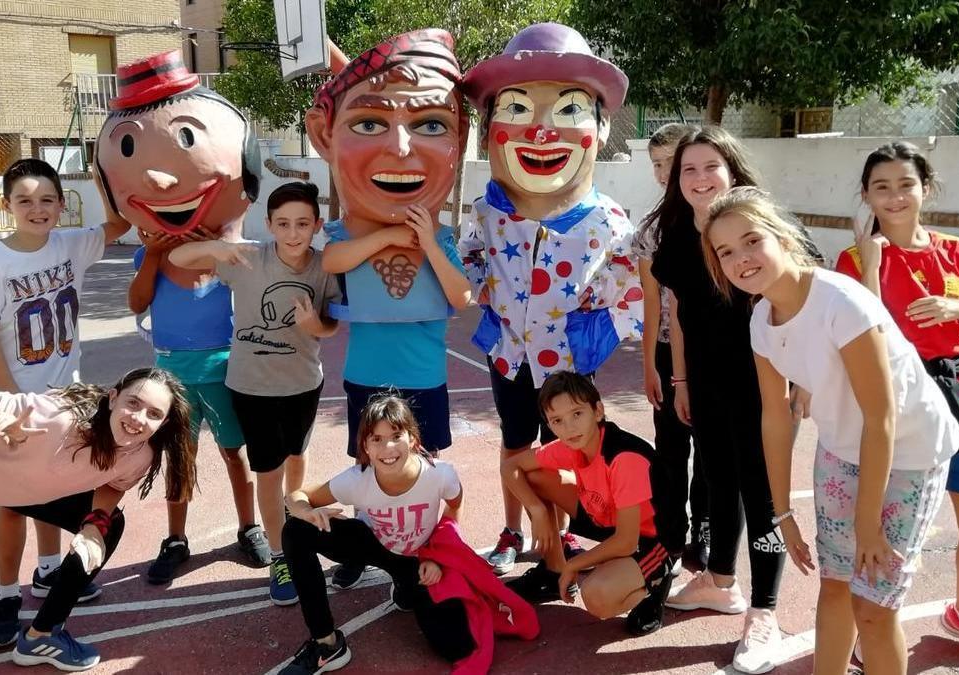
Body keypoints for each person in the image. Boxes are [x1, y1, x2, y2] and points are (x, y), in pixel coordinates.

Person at [702, 186, 959, 674]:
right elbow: (776, 417)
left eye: (752, 240)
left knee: (874, 608)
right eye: (726, 251)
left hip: (908, 451)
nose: (742, 258)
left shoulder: (842, 303)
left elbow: (881, 417)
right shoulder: (761, 319)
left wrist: (867, 524)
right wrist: (781, 513)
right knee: (836, 585)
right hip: (843, 448)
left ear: (781, 236)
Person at [836, 141, 959, 669]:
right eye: (881, 186)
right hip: (894, 405)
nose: (895, 195)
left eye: (906, 183)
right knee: (885, 533)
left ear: (925, 188)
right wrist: (875, 263)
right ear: (866, 195)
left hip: (958, 395)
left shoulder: (958, 253)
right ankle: (872, 631)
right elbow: (866, 333)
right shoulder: (856, 258)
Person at [459, 22, 644, 576]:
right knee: (516, 445)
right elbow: (471, 261)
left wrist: (592, 338)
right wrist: (480, 292)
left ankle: (559, 540)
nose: (540, 132)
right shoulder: (489, 211)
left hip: (566, 366)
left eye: (567, 111)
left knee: (566, 453)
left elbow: (630, 290)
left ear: (602, 126)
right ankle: (514, 529)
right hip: (508, 357)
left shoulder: (607, 221)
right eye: (516, 110)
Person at [0, 368, 197, 671]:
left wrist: (94, 524)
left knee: (110, 525)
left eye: (154, 414)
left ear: (164, 421)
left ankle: (42, 636)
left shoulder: (140, 454)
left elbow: (112, 485)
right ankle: (9, 599)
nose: (138, 418)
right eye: (133, 403)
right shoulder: (58, 416)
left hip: (10, 487)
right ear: (113, 397)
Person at [306, 29, 473, 590]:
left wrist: (425, 243)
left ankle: (424, 550)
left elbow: (460, 296)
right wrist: (385, 239)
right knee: (367, 467)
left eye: (428, 124)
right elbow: (332, 260)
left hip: (424, 379)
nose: (400, 147)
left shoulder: (441, 236)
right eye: (372, 123)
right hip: (367, 378)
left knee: (421, 469)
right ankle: (362, 545)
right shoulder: (342, 234)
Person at [0, 158, 131, 648]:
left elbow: (120, 223)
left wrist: (103, 176)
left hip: (65, 397)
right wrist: (11, 398)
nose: (37, 208)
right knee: (13, 502)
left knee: (53, 489)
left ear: (62, 204)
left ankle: (47, 571)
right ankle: (4, 596)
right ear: (7, 206)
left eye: (47, 199)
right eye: (24, 200)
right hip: (13, 399)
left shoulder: (71, 243)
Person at [646, 126, 786, 673]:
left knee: (763, 493)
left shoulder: (760, 224)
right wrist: (680, 382)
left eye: (711, 167)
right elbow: (678, 315)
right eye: (689, 170)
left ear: (732, 171)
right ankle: (721, 583)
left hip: (760, 385)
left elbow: (796, 294)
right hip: (704, 382)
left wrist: (797, 384)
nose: (700, 179)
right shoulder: (679, 234)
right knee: (718, 483)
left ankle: (765, 612)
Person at [170, 181, 341, 606]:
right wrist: (216, 247)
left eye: (303, 223)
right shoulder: (246, 258)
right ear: (268, 225)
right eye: (283, 223)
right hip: (252, 386)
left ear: (317, 225)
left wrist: (313, 327)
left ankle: (293, 520)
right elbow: (177, 257)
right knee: (268, 469)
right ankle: (282, 554)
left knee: (297, 458)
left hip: (303, 382)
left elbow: (333, 323)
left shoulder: (325, 267)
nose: (293, 232)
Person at [280, 395, 473, 675]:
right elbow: (295, 496)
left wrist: (437, 555)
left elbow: (456, 507)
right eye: (377, 439)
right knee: (296, 530)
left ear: (413, 440)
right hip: (371, 543)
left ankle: (405, 587)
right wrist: (306, 512)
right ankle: (327, 645)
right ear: (365, 447)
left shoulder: (439, 475)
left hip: (417, 559)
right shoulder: (357, 480)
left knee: (459, 648)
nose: (388, 447)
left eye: (396, 436)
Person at [128, 227, 264, 584]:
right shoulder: (151, 255)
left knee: (234, 452)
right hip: (173, 375)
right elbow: (137, 302)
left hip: (222, 369)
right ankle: (176, 539)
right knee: (179, 455)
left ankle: (249, 527)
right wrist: (154, 252)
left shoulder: (226, 254)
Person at [502, 372, 679, 636]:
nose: (569, 428)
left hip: (650, 538)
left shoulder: (624, 459)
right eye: (557, 421)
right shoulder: (570, 444)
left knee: (597, 596)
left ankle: (654, 584)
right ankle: (553, 570)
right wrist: (537, 509)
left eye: (576, 414)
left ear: (597, 411)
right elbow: (511, 466)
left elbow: (627, 542)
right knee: (533, 476)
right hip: (606, 515)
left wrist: (575, 564)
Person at [632, 122, 709, 567]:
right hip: (666, 350)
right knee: (671, 445)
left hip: (710, 352)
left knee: (711, 448)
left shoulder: (718, 221)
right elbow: (651, 303)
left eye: (671, 162)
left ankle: (704, 527)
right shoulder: (652, 230)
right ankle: (670, 534)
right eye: (657, 164)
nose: (664, 172)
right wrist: (648, 365)